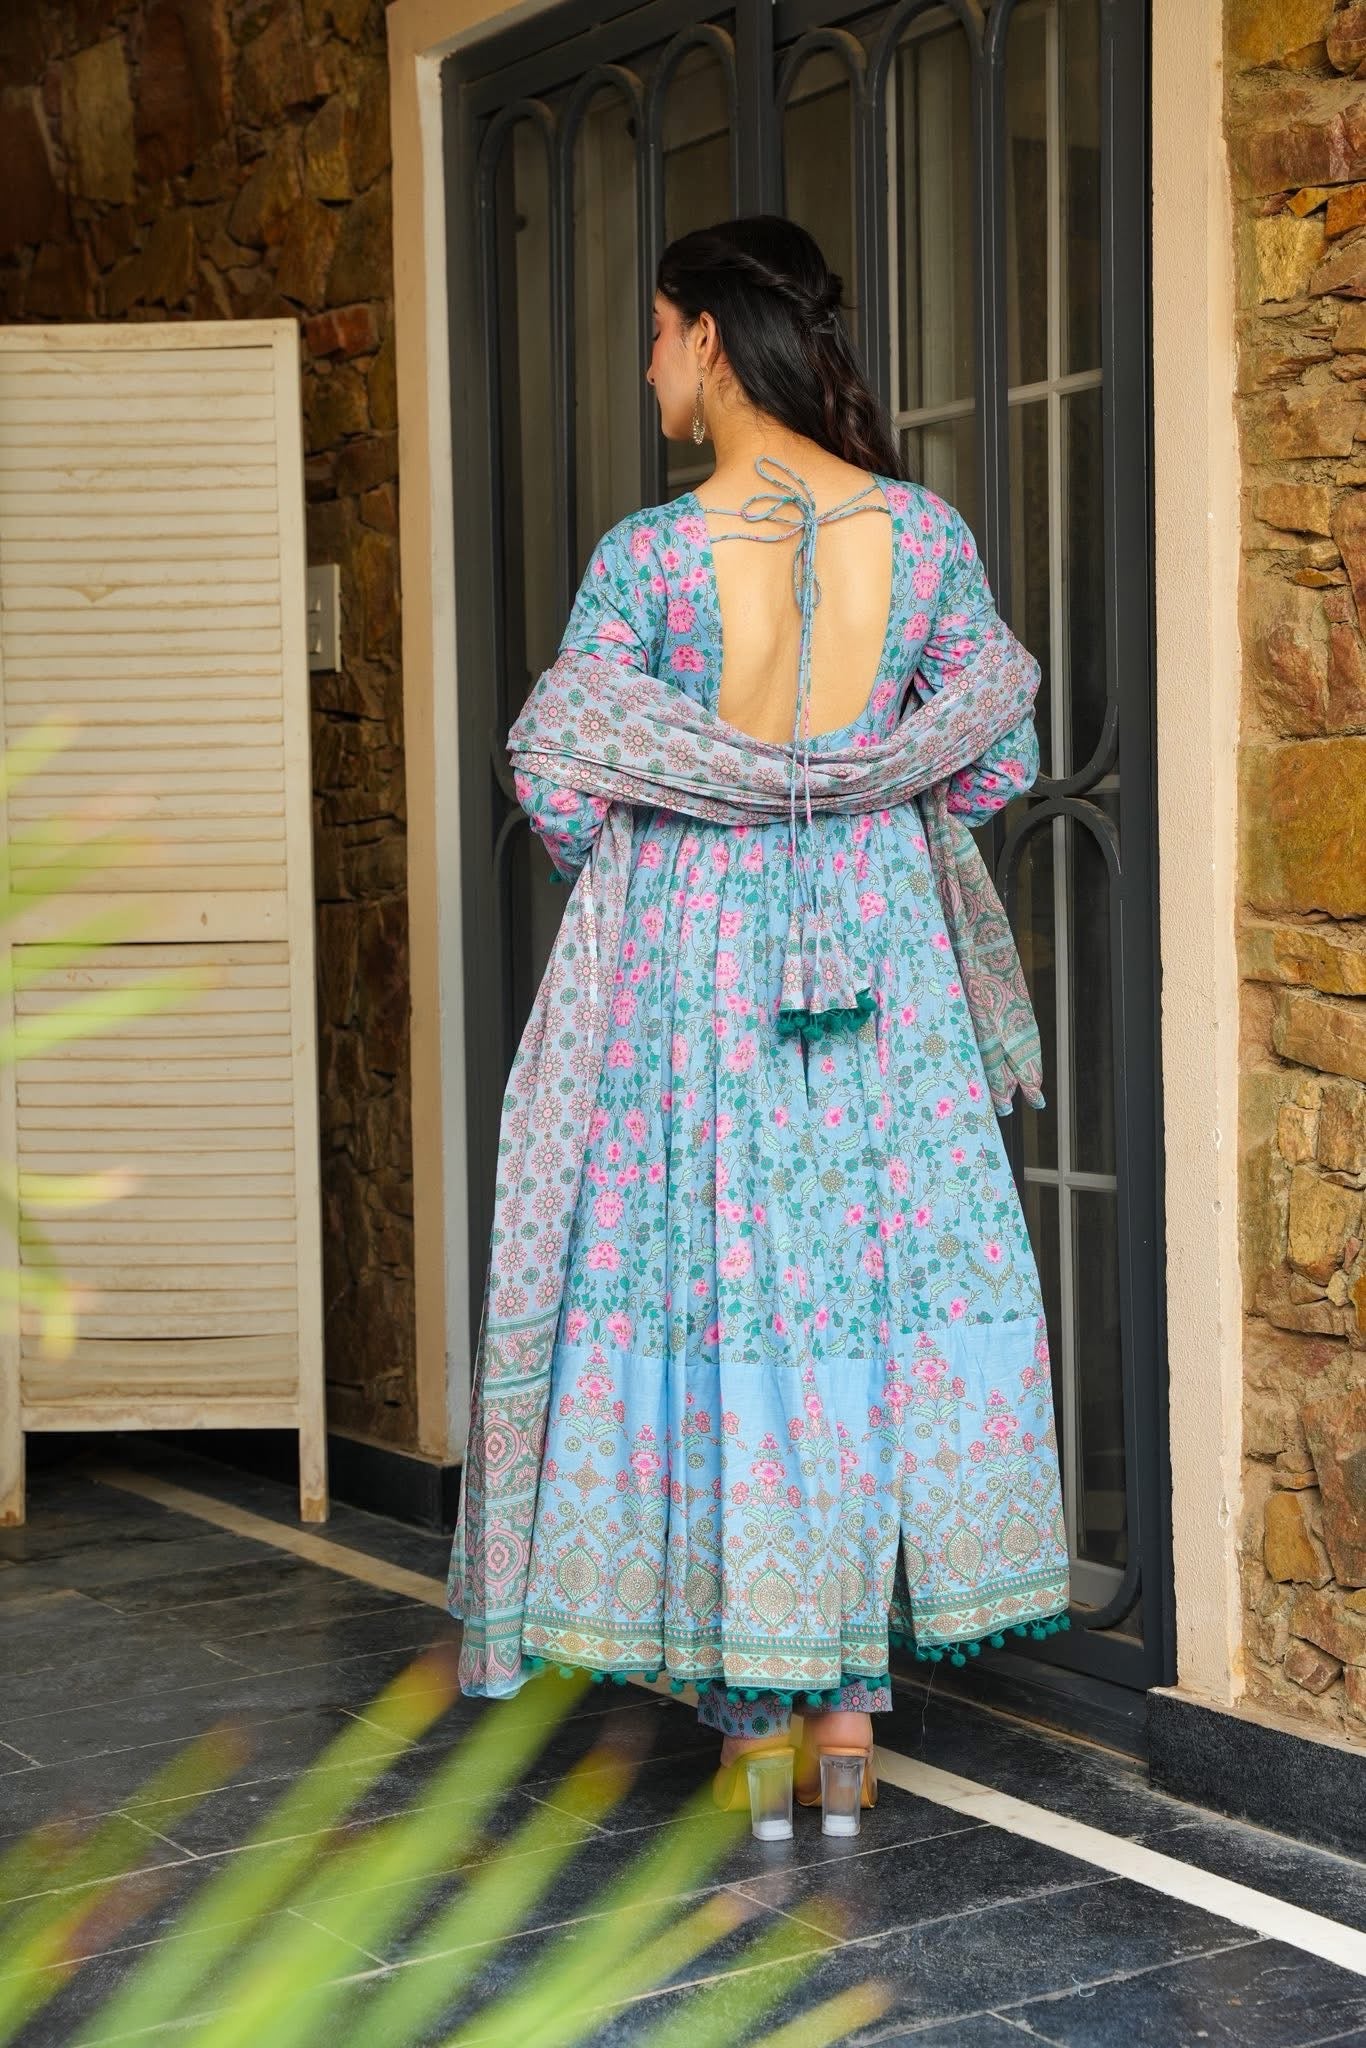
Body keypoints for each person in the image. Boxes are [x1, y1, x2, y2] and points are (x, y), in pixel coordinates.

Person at [454, 214, 1070, 1810]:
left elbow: (556, 774)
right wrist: (857, 808)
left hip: (698, 969)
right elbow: (992, 753)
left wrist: (699, 818)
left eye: (656, 334)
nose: (648, 365)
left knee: (725, 1299)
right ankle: (849, 1725)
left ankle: (750, 1729)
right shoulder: (923, 534)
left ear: (710, 339)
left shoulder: (647, 559)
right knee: (858, 1308)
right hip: (882, 959)